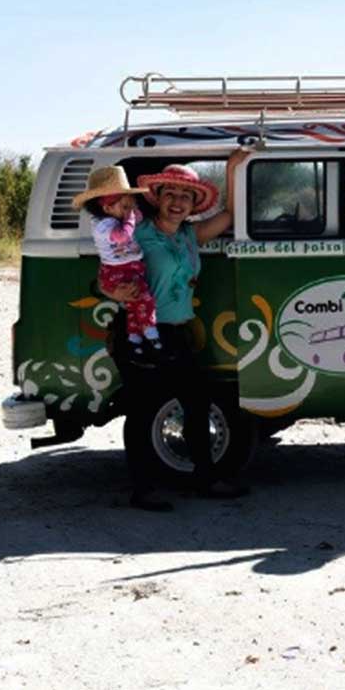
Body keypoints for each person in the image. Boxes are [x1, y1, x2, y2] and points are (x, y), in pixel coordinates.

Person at [102, 152, 249, 511]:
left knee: (196, 403)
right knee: (141, 408)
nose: (177, 202)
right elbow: (106, 270)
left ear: (194, 204)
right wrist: (111, 292)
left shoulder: (189, 236)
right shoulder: (138, 231)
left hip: (175, 333)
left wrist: (233, 170)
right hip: (140, 330)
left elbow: (230, 215)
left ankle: (204, 478)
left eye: (186, 196)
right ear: (158, 196)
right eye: (170, 194)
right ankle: (143, 489)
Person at [72, 166, 163, 365]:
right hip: (120, 270)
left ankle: (135, 338)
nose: (129, 212)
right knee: (144, 299)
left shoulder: (111, 217)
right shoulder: (105, 226)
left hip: (125, 267)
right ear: (107, 208)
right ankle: (150, 331)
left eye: (130, 206)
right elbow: (123, 236)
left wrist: (131, 213)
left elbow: (135, 219)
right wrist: (130, 218)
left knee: (133, 305)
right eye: (125, 207)